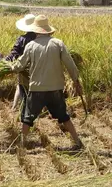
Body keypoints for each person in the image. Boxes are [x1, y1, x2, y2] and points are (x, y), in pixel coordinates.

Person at [10, 15, 84, 150]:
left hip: (37, 89)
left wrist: (11, 67)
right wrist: (75, 80)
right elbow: (70, 64)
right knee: (64, 116)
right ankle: (77, 141)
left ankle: (21, 145)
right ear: (48, 30)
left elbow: (20, 65)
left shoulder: (31, 46)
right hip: (55, 88)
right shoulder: (58, 43)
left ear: (36, 30)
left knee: (28, 118)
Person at [5, 14, 36, 111]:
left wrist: (5, 61)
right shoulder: (39, 38)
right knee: (35, 88)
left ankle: (15, 107)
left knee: (20, 86)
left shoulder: (21, 39)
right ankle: (34, 108)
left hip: (22, 67)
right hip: (37, 67)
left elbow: (14, 53)